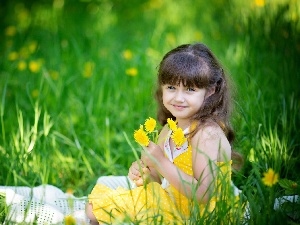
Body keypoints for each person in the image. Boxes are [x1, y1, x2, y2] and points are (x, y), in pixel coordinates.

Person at [86, 43, 243, 224]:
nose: (178, 97)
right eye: (171, 88)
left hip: (198, 215)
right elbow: (161, 182)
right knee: (99, 196)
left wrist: (161, 161)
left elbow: (205, 195)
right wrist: (145, 174)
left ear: (210, 91)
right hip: (171, 201)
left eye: (190, 90)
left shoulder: (206, 134)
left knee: (97, 210)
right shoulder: (170, 129)